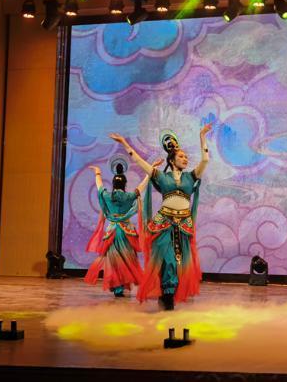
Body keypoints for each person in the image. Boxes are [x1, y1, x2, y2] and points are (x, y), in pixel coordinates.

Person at [109, 124, 211, 310]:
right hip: (164, 225)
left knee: (180, 264)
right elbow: (139, 161)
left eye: (186, 157)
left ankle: (166, 294)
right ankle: (168, 296)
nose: (185, 158)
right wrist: (124, 143)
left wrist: (202, 136)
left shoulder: (191, 177)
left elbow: (205, 160)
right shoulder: (162, 177)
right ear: (172, 160)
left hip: (183, 226)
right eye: (181, 156)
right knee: (169, 260)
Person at [85, 158, 152, 297]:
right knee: (127, 259)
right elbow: (141, 187)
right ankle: (124, 283)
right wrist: (150, 172)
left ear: (113, 183)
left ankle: (117, 288)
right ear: (125, 184)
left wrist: (98, 172)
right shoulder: (129, 196)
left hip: (112, 231)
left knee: (113, 260)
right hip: (127, 232)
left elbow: (99, 187)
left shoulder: (107, 196)